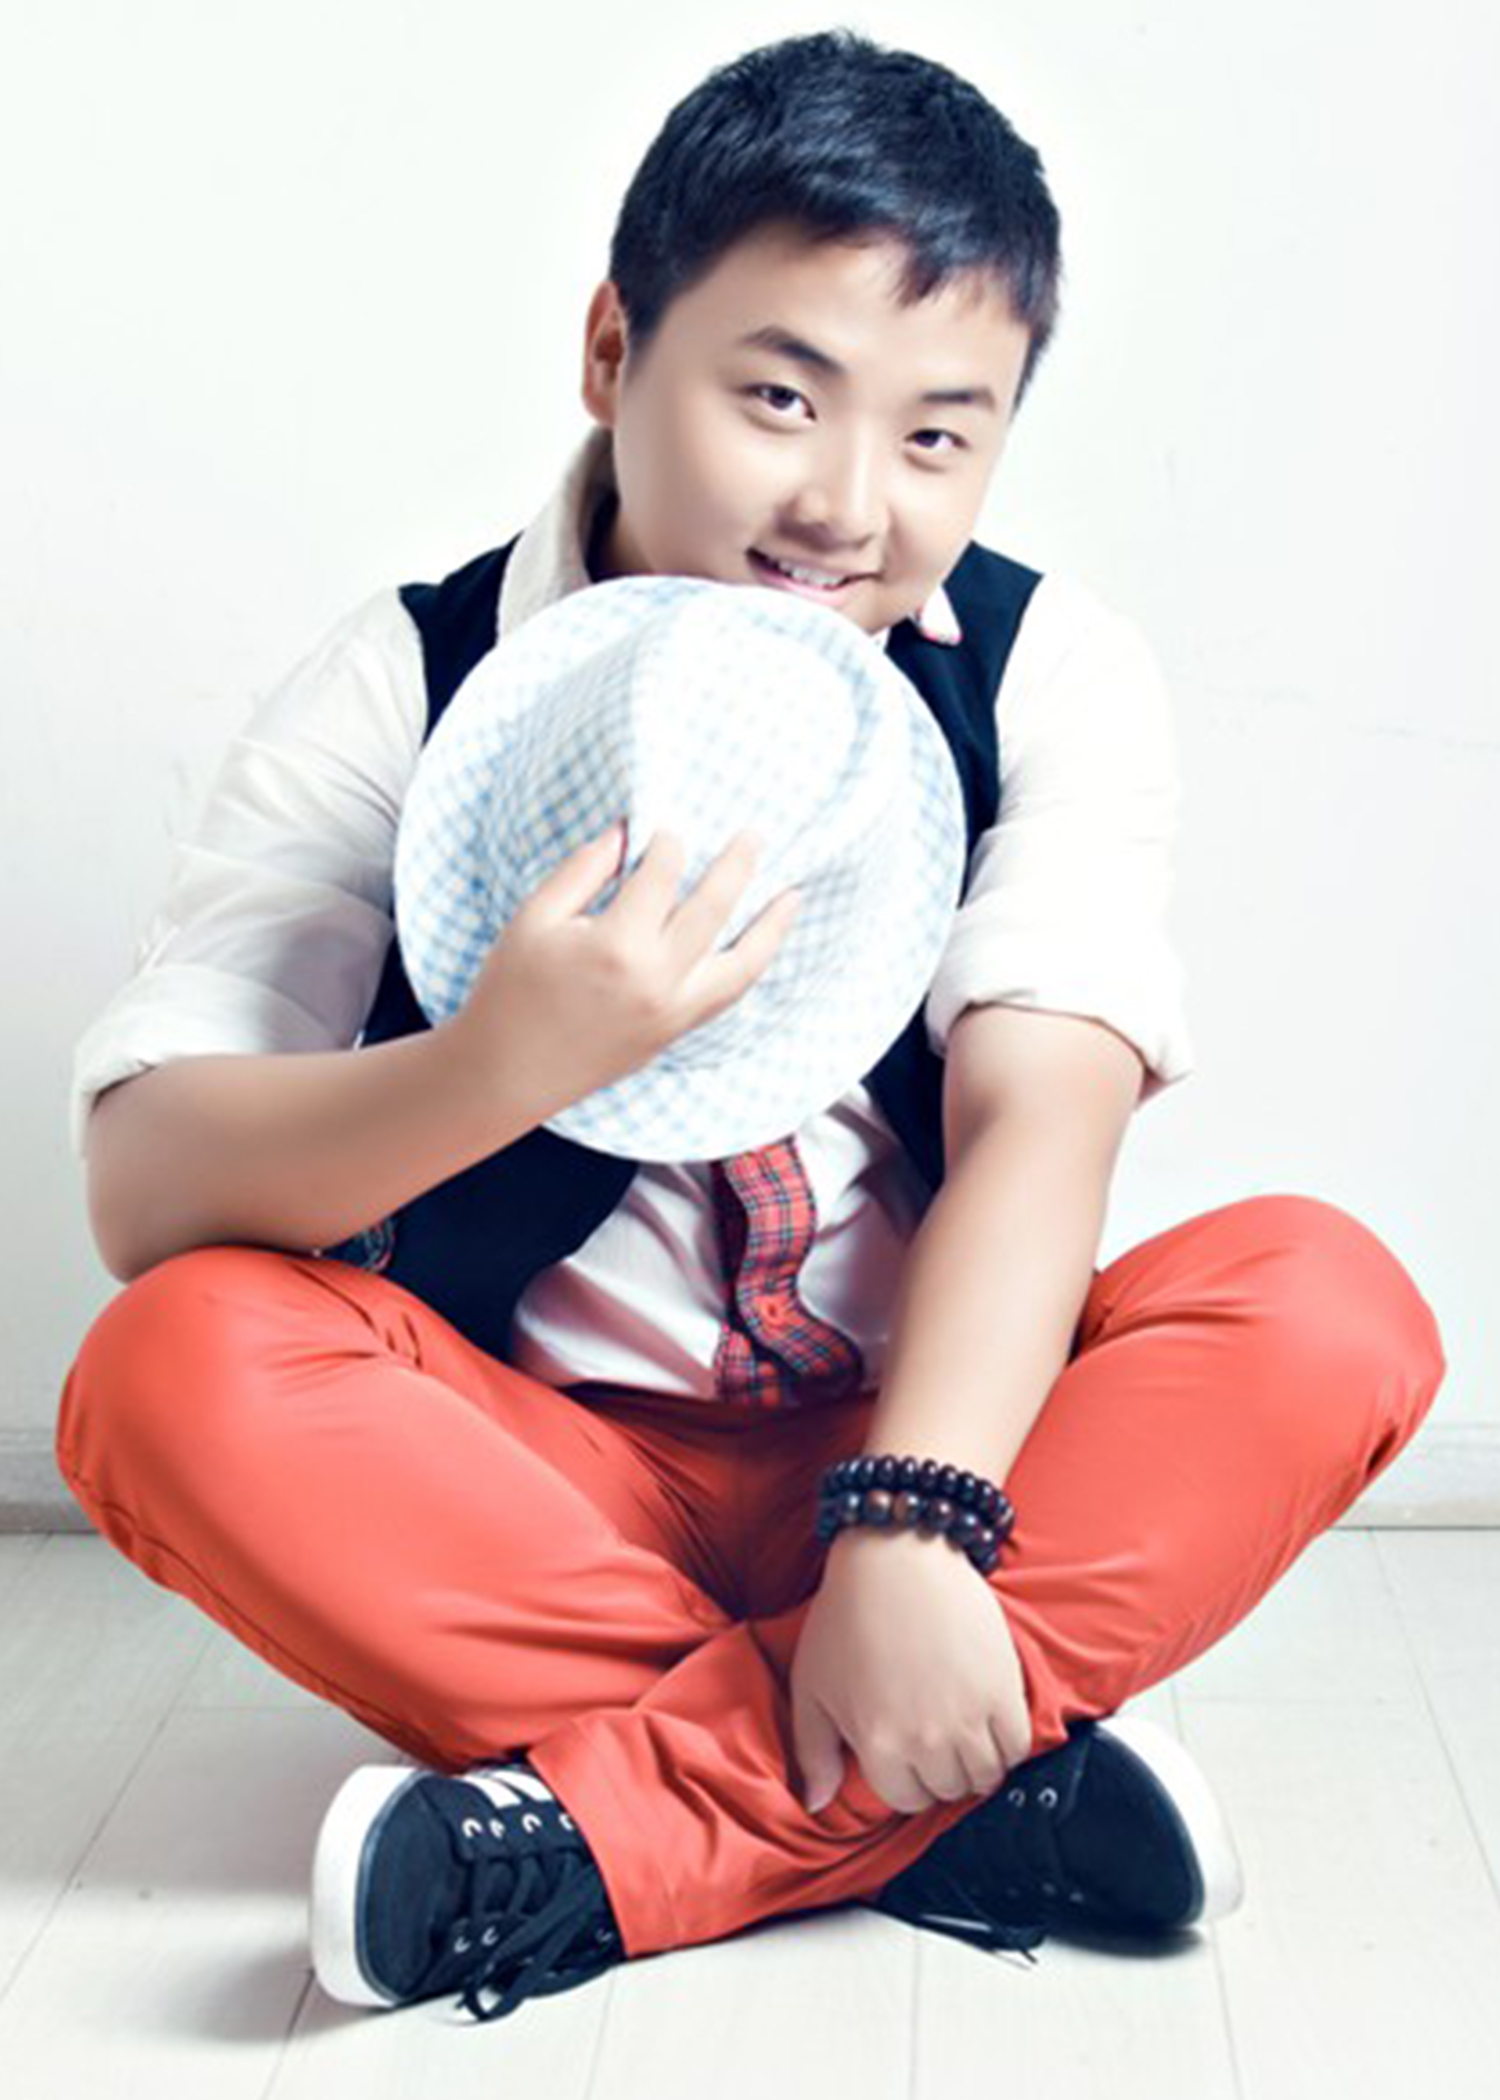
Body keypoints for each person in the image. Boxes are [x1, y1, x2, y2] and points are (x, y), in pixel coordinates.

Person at [57, 28, 1447, 2027]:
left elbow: (1041, 1124)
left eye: (940, 438)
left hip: (940, 1445)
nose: (845, 505)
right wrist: (503, 1062)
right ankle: (953, 1796)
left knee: (1324, 1300)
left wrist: (912, 1526)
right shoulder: (410, 678)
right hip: (533, 1482)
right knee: (173, 1367)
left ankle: (609, 1833)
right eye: (780, 397)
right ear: (613, 349)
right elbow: (146, 1186)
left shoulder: (1043, 670)